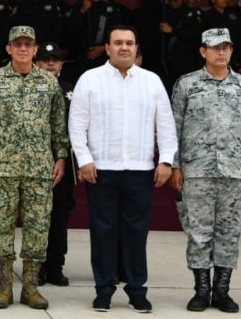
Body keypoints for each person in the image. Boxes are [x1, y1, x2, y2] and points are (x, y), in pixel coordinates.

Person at [68, 25, 177, 313]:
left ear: (136, 47)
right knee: (102, 231)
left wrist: (166, 160)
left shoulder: (151, 81)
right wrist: (84, 159)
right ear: (107, 48)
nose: (124, 47)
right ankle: (103, 289)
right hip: (101, 169)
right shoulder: (90, 80)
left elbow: (165, 124)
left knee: (136, 232)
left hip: (140, 169)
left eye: (129, 42)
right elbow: (77, 125)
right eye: (118, 43)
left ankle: (136, 289)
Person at [0, 26, 68, 310]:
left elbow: (58, 126)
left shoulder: (49, 83)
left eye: (28, 44)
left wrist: (61, 157)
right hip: (1, 168)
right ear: (9, 49)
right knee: (1, 228)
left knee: (38, 228)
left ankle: (30, 287)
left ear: (36, 49)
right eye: (18, 44)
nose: (23, 48)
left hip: (40, 169)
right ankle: (4, 288)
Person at [170, 28, 241, 313]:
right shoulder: (187, 85)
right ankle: (201, 289)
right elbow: (174, 127)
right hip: (197, 172)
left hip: (235, 172)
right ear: (203, 51)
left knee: (229, 232)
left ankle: (222, 290)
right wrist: (175, 165)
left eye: (226, 47)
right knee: (198, 232)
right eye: (215, 47)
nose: (222, 52)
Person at [34, 42, 76, 287]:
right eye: (46, 59)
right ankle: (36, 266)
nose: (51, 63)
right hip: (34, 163)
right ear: (37, 62)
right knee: (36, 218)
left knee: (59, 217)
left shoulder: (71, 91)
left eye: (55, 59)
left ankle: (56, 266)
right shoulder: (29, 88)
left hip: (62, 164)